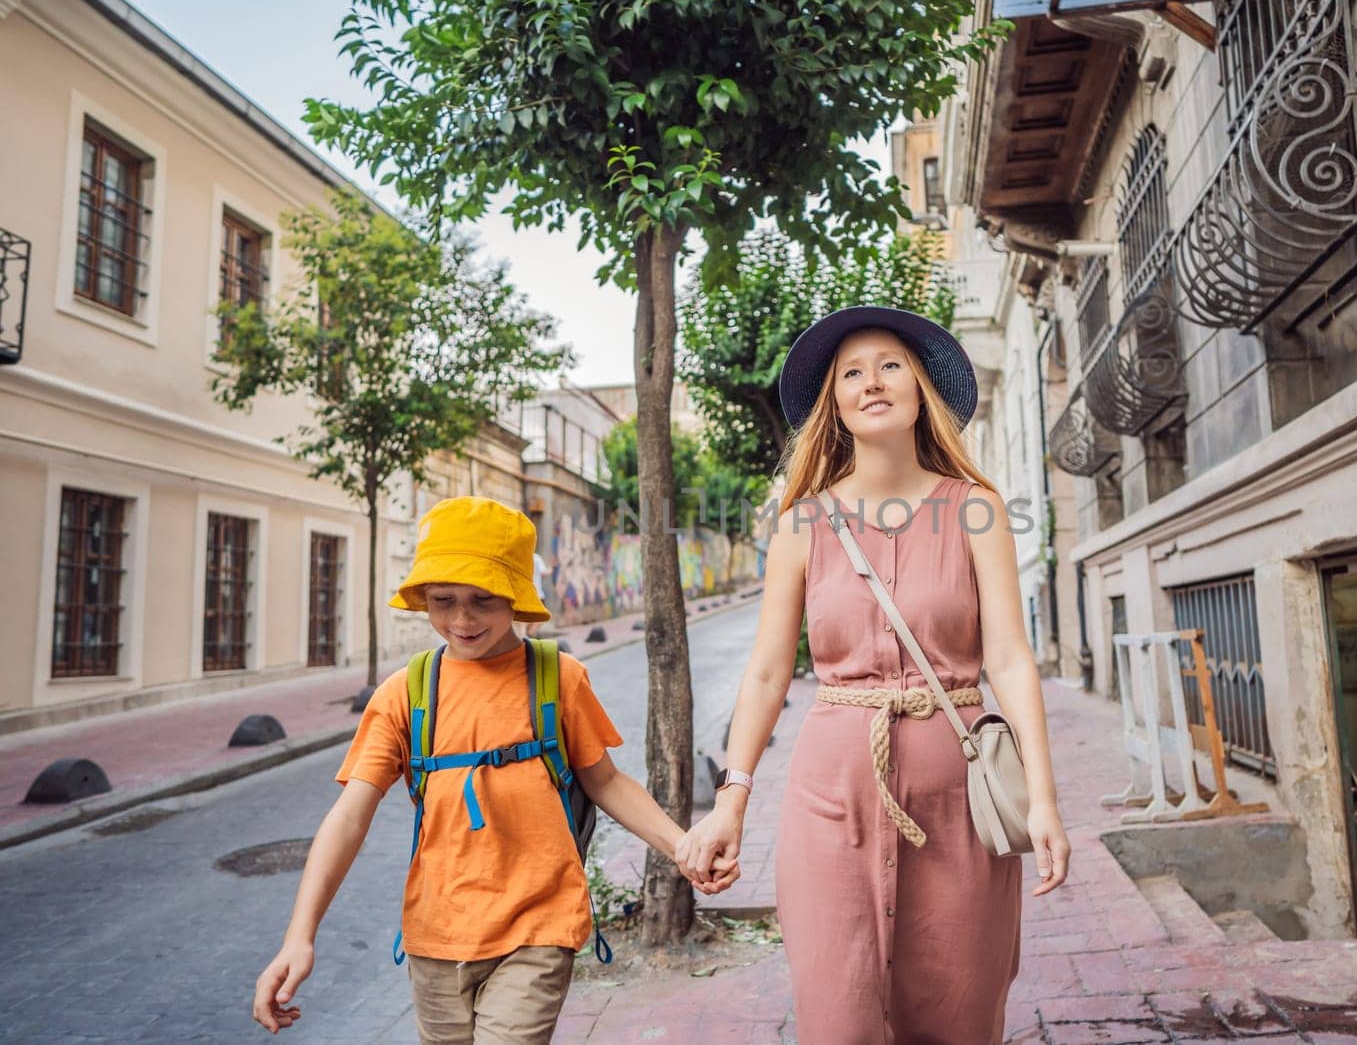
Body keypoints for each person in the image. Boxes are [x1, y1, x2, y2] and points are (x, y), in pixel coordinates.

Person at [675, 307, 1072, 1043]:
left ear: (921, 388)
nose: (872, 381)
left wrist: (1043, 800)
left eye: (890, 364)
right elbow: (766, 674)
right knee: (838, 1010)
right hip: (830, 803)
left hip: (961, 804)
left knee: (960, 1006)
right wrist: (732, 799)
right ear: (836, 404)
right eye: (851, 372)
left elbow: (1011, 660)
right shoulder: (801, 524)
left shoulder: (976, 510)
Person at [251, 495, 735, 1042]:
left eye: (483, 599)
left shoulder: (558, 678)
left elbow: (606, 782)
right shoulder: (405, 694)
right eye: (443, 600)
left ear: (516, 599)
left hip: (538, 922)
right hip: (435, 936)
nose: (462, 619)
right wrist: (300, 935)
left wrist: (682, 847)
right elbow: (349, 816)